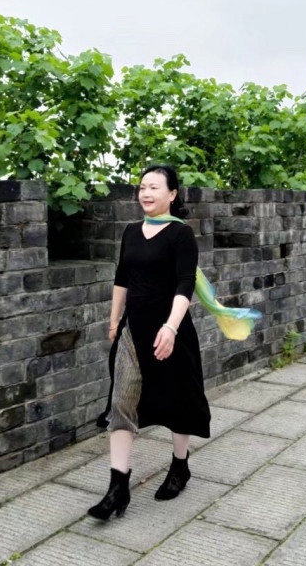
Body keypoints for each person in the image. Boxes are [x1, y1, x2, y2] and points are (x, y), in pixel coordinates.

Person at [88, 164, 211, 520]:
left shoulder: (181, 235)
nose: (146, 193)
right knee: (121, 402)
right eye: (142, 187)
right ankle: (118, 487)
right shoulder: (130, 231)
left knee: (178, 400)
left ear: (172, 194)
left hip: (169, 331)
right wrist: (114, 321)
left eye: (154, 187)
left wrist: (171, 327)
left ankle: (180, 466)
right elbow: (122, 279)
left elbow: (185, 283)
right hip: (133, 330)